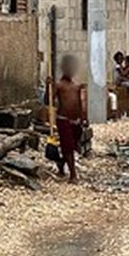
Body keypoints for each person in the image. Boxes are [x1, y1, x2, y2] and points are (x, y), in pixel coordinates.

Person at [47, 55, 87, 183]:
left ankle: (61, 163)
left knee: (72, 146)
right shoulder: (59, 85)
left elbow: (81, 104)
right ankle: (73, 175)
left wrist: (83, 118)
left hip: (76, 121)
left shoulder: (76, 85)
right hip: (63, 119)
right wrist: (49, 87)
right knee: (68, 146)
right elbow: (48, 101)